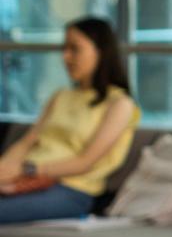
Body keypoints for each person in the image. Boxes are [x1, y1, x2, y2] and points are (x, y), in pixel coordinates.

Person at [0, 17, 139, 223]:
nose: (65, 56)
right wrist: (5, 167)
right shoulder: (61, 96)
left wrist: (27, 168)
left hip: (72, 190)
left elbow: (86, 162)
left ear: (101, 52)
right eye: (64, 48)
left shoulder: (119, 104)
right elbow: (29, 140)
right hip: (27, 180)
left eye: (75, 49)